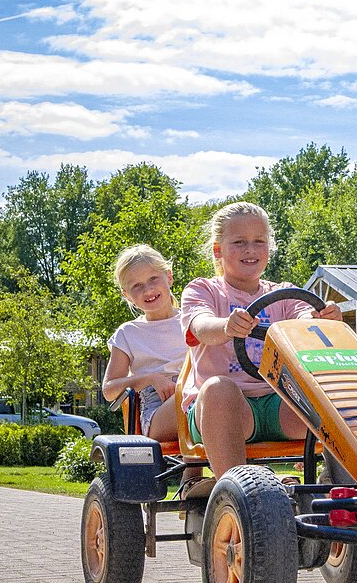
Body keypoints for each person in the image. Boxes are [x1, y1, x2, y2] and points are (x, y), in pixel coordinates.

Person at [179, 201, 340, 494]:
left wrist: (323, 319)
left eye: (258, 242)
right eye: (239, 242)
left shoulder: (283, 294)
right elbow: (199, 325)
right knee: (219, 388)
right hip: (223, 411)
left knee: (334, 389)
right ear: (218, 250)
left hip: (279, 406)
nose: (250, 250)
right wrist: (225, 326)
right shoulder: (203, 290)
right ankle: (241, 496)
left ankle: (338, 489)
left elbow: (305, 320)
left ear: (269, 247)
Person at [101, 245, 185, 443]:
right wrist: (151, 378)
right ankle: (192, 472)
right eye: (137, 286)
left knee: (217, 393)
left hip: (195, 392)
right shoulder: (128, 333)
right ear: (127, 295)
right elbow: (109, 390)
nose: (148, 290)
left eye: (153, 279)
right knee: (203, 399)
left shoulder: (193, 321)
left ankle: (198, 473)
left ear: (169, 277)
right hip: (158, 410)